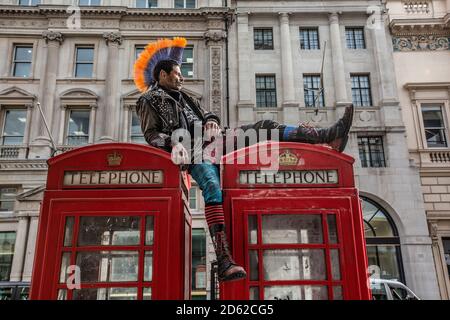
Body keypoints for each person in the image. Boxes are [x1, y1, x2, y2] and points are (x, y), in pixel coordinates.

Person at [134, 38, 353, 282]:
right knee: (212, 186)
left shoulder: (184, 96)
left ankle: (325, 137)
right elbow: (152, 135)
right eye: (177, 73)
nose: (181, 77)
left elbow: (205, 112)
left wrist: (212, 119)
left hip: (215, 141)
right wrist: (173, 144)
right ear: (163, 74)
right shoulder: (148, 100)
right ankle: (224, 259)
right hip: (192, 150)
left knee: (265, 127)